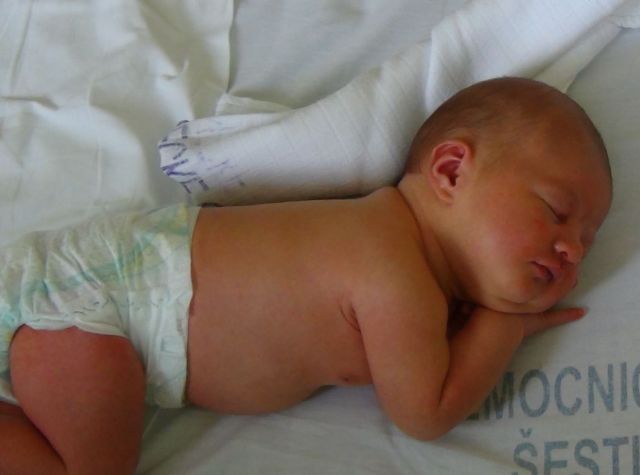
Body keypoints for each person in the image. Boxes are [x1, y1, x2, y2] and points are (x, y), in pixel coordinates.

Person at [0, 77, 612, 474]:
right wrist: (502, 328)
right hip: (100, 301)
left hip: (116, 310)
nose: (571, 252)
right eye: (556, 211)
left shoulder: (397, 256)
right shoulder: (393, 265)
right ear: (451, 171)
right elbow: (426, 412)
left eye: (587, 243)